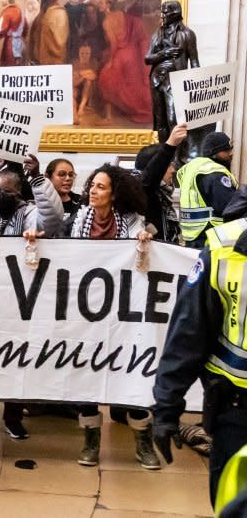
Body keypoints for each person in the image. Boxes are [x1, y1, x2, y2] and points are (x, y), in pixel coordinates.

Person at [36, 164, 159, 469]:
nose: (93, 190)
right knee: (86, 375)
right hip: (85, 312)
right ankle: (90, 441)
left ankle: (144, 442)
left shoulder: (133, 223)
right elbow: (58, 246)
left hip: (121, 315)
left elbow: (150, 250)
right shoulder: (77, 220)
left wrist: (146, 240)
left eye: (101, 187)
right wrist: (36, 239)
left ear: (114, 194)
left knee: (129, 374)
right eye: (92, 185)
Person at [152, 215, 247, 506]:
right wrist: (166, 407)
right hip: (237, 410)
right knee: (233, 504)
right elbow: (189, 331)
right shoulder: (224, 246)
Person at [144, 1, 199, 144]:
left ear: (175, 13)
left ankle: (176, 157)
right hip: (157, 80)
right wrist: (165, 53)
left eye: (165, 12)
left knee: (173, 119)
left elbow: (194, 62)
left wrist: (197, 86)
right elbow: (147, 58)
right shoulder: (158, 33)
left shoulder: (187, 34)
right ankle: (164, 154)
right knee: (160, 121)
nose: (162, 16)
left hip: (176, 82)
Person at [97, 0, 152, 125]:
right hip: (133, 54)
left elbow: (114, 43)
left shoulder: (107, 21)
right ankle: (139, 110)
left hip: (121, 55)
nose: (100, 5)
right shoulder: (122, 14)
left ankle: (109, 117)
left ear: (108, 5)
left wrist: (111, 60)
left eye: (102, 3)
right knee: (132, 84)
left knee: (105, 79)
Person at [176, 132, 238, 249]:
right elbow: (229, 207)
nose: (230, 154)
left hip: (193, 236)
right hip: (211, 236)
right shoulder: (213, 172)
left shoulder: (193, 167)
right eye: (226, 151)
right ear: (214, 153)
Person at [132, 123, 187, 243]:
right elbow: (149, 178)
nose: (173, 170)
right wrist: (170, 145)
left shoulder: (162, 194)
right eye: (168, 165)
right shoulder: (142, 190)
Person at [28, 0, 69, 65]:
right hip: (40, 58)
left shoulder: (60, 12)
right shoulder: (43, 11)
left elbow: (61, 40)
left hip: (54, 60)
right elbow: (34, 33)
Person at [43, 157, 81, 233]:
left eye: (71, 175)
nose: (68, 178)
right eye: (62, 174)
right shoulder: (40, 203)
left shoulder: (81, 202)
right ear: (47, 177)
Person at [0, 0, 26, 66]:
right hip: (21, 43)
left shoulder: (7, 12)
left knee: (8, 66)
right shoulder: (19, 10)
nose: (1, 0)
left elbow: (1, 29)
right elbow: (25, 26)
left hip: (10, 44)